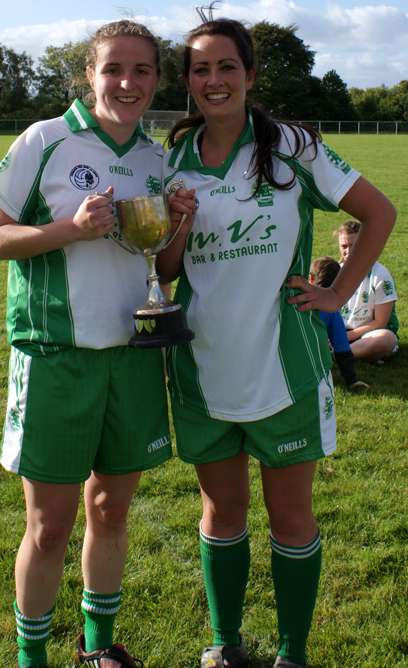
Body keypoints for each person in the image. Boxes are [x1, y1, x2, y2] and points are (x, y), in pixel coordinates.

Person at [157, 6, 396, 668]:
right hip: (202, 368)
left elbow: (378, 211)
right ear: (188, 81)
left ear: (250, 74)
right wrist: (175, 225)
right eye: (200, 69)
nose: (214, 80)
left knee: (291, 519)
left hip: (284, 369)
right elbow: (166, 270)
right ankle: (224, 644)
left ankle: (292, 652)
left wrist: (340, 293)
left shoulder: (294, 146)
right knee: (222, 515)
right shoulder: (170, 160)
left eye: (226, 66)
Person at [0, 20, 196, 668]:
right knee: (48, 528)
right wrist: (69, 229)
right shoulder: (45, 140)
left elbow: (161, 270)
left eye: (142, 71)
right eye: (114, 70)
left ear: (157, 79)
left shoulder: (157, 159)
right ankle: (30, 657)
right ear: (89, 74)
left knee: (110, 511)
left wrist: (177, 224)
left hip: (131, 356)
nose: (127, 83)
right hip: (55, 357)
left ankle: (98, 648)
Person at [335, 220, 399, 364]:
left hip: (368, 334)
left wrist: (345, 338)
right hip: (339, 332)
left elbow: (380, 323)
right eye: (344, 246)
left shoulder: (381, 276)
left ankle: (335, 356)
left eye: (354, 245)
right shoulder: (334, 272)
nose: (348, 251)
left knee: (386, 339)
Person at [309, 256, 370, 389]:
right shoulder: (331, 311)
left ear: (310, 279)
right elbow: (342, 348)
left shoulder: (292, 302)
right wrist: (352, 380)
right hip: (315, 369)